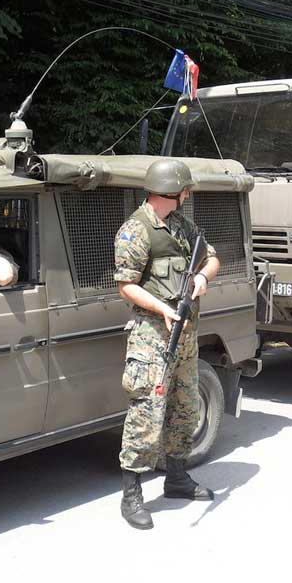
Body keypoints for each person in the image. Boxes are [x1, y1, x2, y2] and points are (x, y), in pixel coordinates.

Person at [113, 159, 220, 530]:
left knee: (185, 407)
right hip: (152, 338)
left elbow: (212, 258)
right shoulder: (136, 231)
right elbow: (126, 285)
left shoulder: (182, 227)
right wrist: (162, 308)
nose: (188, 194)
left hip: (186, 335)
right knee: (146, 412)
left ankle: (176, 478)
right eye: (185, 189)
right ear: (174, 192)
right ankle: (132, 494)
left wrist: (203, 278)